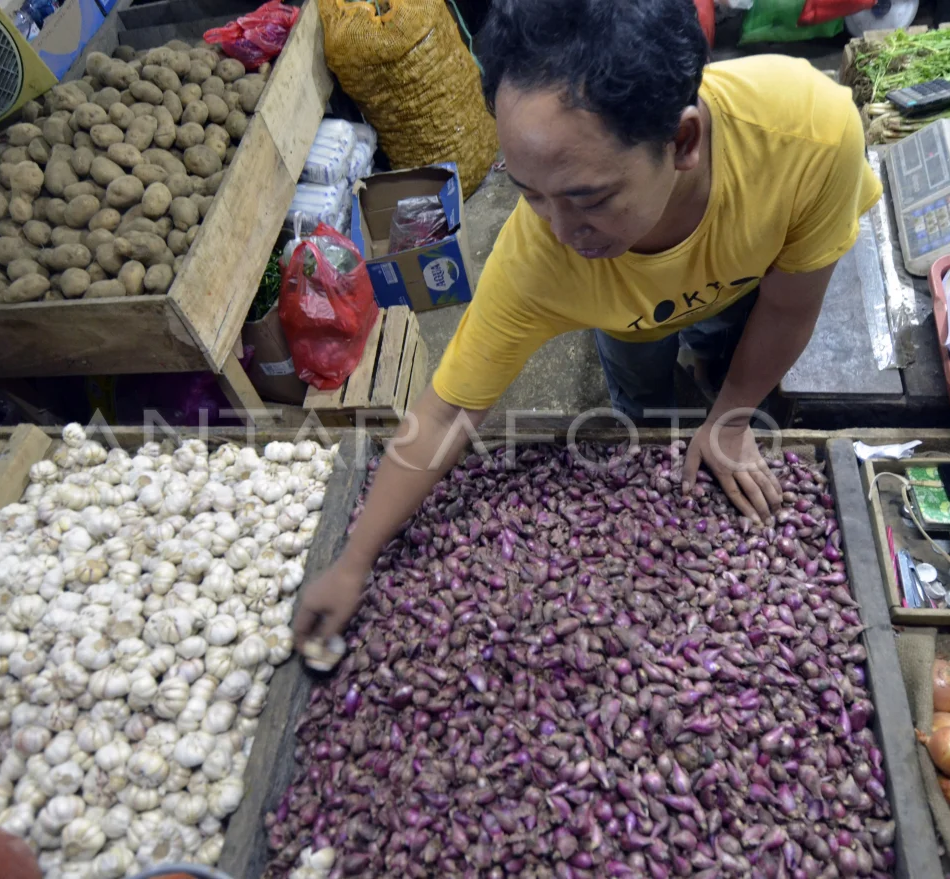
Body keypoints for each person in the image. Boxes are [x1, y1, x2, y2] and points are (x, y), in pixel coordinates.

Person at [293, 0, 881, 643]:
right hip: (630, 321)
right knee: (638, 382)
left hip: (744, 281)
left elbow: (789, 304)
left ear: (682, 141)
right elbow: (445, 413)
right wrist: (353, 561)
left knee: (724, 339)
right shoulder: (538, 261)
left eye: (589, 198)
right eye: (529, 193)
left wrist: (733, 415)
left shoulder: (810, 138)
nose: (561, 232)